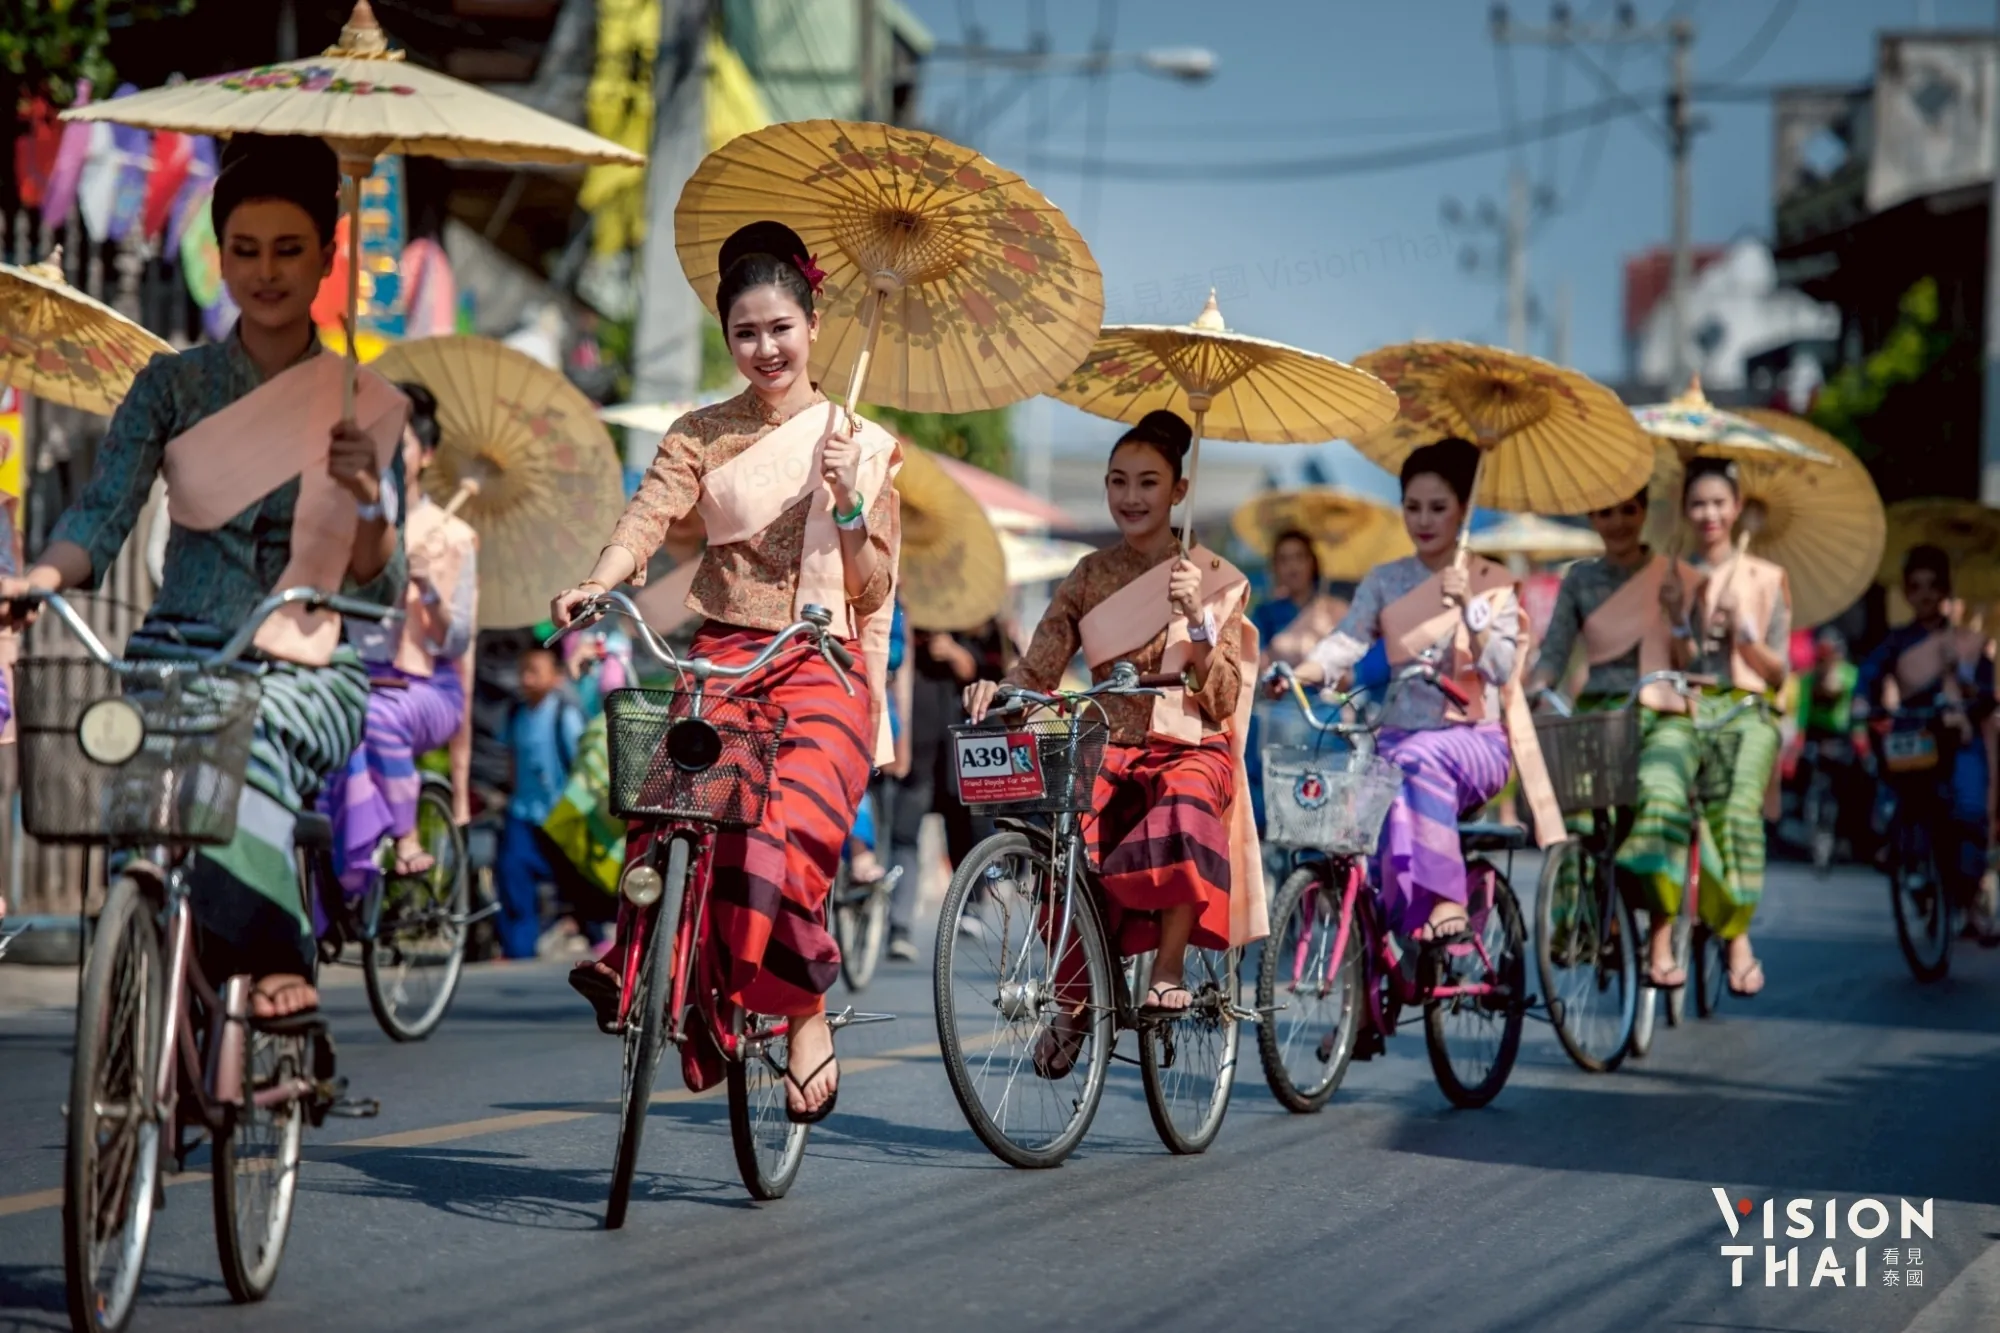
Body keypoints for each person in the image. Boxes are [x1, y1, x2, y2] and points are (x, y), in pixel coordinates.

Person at [0, 134, 408, 1020]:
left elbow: (379, 590)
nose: (266, 271)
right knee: (124, 769)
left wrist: (367, 500)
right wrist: (38, 577)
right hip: (171, 654)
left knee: (247, 741)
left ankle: (271, 953)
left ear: (326, 258)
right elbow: (99, 515)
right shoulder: (171, 385)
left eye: (289, 250)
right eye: (247, 250)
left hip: (303, 670)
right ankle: (139, 1013)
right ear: (220, 256)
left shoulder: (364, 404)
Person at [548, 219, 902, 1124]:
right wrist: (598, 579)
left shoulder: (856, 441)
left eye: (780, 327)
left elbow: (870, 588)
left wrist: (850, 503)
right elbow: (649, 517)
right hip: (723, 655)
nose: (765, 348)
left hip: (821, 661)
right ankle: (636, 962)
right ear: (728, 338)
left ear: (813, 321)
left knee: (784, 822)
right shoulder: (699, 432)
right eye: (745, 332)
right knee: (666, 798)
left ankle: (805, 1008)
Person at [966, 409, 1265, 1075]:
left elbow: (1219, 702)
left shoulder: (1215, 580)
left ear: (1177, 493)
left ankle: (1166, 965)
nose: (1131, 497)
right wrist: (999, 689)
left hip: (1189, 746)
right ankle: (1073, 999)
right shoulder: (1086, 574)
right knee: (1056, 841)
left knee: (1184, 805)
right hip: (1106, 743)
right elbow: (1038, 670)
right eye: (1118, 481)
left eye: (1148, 483)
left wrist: (1198, 616)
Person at [1288, 438, 1562, 943]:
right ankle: (1365, 995)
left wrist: (1471, 614)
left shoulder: (1489, 581)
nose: (1424, 519)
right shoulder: (1385, 580)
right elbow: (1349, 638)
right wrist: (1301, 672)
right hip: (1393, 740)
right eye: (1412, 507)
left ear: (1463, 511)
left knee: (1415, 760)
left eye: (1438, 508)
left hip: (1475, 742)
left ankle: (1447, 897)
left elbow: (1503, 669)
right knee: (1347, 821)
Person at [1616, 458, 1787, 998]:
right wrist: (1679, 619)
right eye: (1698, 504)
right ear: (1686, 512)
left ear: (1736, 508)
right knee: (1659, 791)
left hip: (1746, 712)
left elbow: (1779, 671)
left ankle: (1736, 936)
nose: (1709, 513)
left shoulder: (1767, 577)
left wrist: (1744, 635)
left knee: (1737, 811)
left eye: (1718, 502)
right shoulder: (1676, 576)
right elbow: (1680, 659)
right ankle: (1661, 933)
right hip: (1687, 708)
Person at [1528, 487, 1700, 987]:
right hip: (1599, 714)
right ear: (1590, 516)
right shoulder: (1580, 578)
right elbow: (1554, 652)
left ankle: (1662, 941)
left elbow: (1696, 667)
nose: (1619, 521)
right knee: (1573, 812)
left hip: (1665, 711)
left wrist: (1678, 616)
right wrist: (1534, 691)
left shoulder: (1678, 576)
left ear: (1645, 511)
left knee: (1660, 794)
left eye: (1630, 509)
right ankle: (1577, 925)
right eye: (1606, 511)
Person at [321, 382, 478, 895]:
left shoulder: (452, 536)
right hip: (358, 675)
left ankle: (406, 836)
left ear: (426, 454)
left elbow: (456, 642)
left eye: (402, 442)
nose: (389, 452)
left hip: (427, 688)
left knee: (372, 717)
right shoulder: (351, 521)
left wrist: (428, 590)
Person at [1855, 545, 1995, 920]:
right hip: (1916, 739)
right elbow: (1868, 678)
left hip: (1960, 740)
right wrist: (1862, 705)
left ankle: (1967, 893)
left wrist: (1964, 681)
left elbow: (1986, 692)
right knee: (1906, 804)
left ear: (1946, 589)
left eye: (1934, 586)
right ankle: (1910, 866)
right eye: (1916, 587)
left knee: (1969, 813)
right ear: (1907, 592)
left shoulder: (1969, 642)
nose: (1926, 594)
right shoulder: (1896, 642)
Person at [884, 615, 1008, 960]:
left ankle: (969, 907)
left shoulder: (984, 625)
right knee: (904, 835)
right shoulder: (905, 622)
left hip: (964, 752)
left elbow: (1002, 680)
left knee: (967, 833)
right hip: (918, 751)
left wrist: (956, 655)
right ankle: (899, 926)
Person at [494, 645, 586, 960]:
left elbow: (580, 765)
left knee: (574, 881)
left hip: (559, 814)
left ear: (556, 676)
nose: (526, 678)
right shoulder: (516, 713)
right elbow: (511, 759)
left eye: (534, 670)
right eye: (523, 671)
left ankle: (596, 934)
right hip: (523, 811)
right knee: (512, 873)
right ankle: (518, 949)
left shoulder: (564, 713)